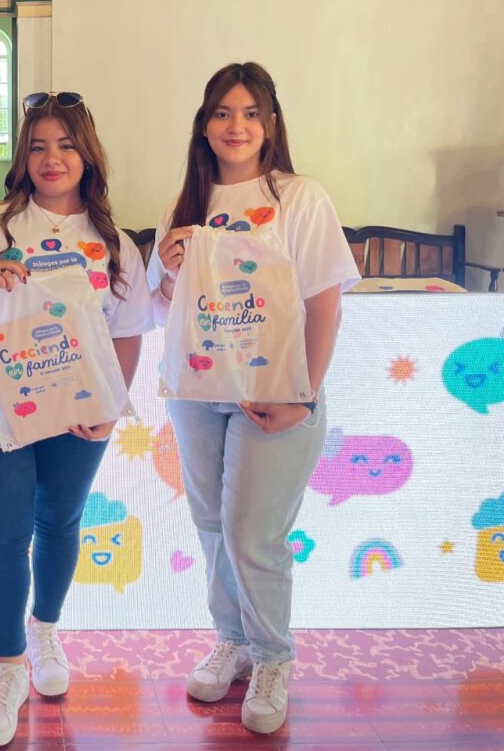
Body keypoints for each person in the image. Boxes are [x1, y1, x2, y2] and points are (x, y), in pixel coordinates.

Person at [147, 63, 360, 734]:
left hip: (275, 392)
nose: (235, 125)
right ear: (204, 124)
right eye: (222, 112)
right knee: (212, 523)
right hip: (197, 391)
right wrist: (170, 274)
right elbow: (165, 311)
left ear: (270, 124)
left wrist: (304, 394)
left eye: (249, 113)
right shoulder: (185, 204)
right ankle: (232, 641)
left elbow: (325, 302)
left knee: (251, 533)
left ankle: (272, 656)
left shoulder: (300, 198)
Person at [0, 91, 154, 746]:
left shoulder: (113, 243)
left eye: (65, 145)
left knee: (59, 521)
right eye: (38, 146)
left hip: (79, 411)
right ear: (22, 157)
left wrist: (111, 404)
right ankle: (8, 669)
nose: (51, 158)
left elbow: (129, 330)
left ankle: (45, 633)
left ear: (87, 154)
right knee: (5, 535)